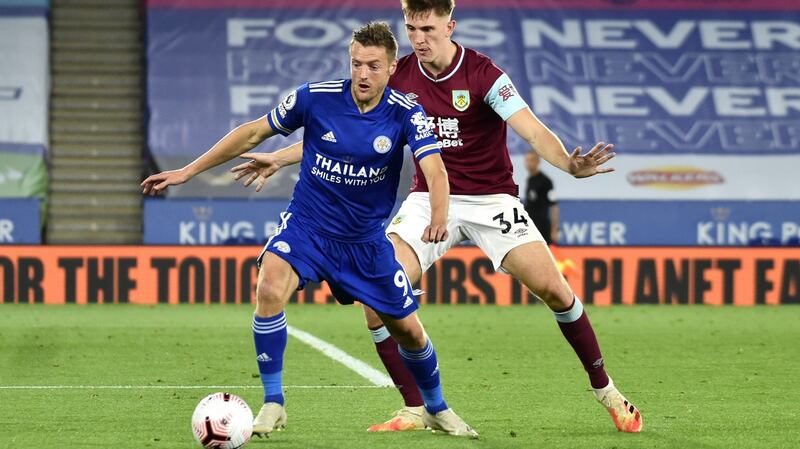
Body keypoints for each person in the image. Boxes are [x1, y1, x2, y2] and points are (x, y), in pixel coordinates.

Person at [232, 0, 642, 434]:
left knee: (555, 290)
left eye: (428, 28)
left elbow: (532, 129)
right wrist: (279, 157)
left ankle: (606, 390)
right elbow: (344, 136)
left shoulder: (485, 75)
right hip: (428, 197)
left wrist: (567, 164)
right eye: (411, 28)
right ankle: (415, 408)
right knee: (377, 303)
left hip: (491, 199)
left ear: (450, 25)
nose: (419, 38)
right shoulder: (398, 76)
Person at [142, 22, 478, 439]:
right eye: (356, 64)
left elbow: (435, 168)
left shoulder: (406, 112)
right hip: (309, 226)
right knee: (269, 286)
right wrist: (188, 171)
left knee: (407, 329)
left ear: (392, 67)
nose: (362, 74)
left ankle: (436, 407)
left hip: (364, 242)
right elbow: (252, 132)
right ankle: (273, 402)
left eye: (373, 66)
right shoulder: (314, 97)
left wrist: (439, 217)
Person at [524, 150, 559, 245]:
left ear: (538, 162)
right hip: (530, 226)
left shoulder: (546, 181)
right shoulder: (530, 179)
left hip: (542, 226)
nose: (529, 163)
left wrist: (554, 230)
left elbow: (554, 206)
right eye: (527, 160)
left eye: (532, 160)